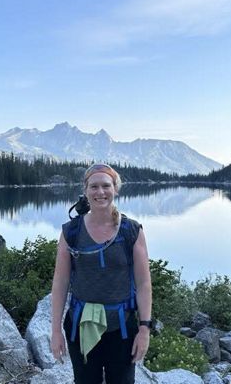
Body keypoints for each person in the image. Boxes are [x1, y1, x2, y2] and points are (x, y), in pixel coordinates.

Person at [50, 163, 153, 384]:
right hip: (80, 325)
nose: (100, 192)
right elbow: (60, 282)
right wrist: (55, 330)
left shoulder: (131, 231)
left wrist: (144, 329)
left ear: (115, 189)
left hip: (123, 327)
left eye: (106, 186)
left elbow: (144, 283)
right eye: (94, 186)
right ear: (85, 191)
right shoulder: (71, 232)